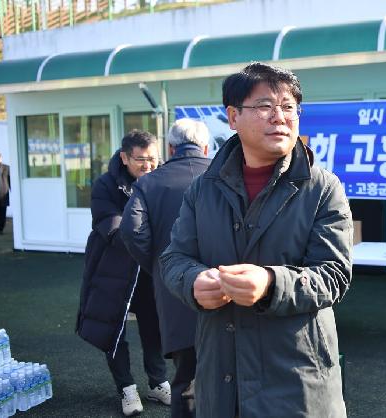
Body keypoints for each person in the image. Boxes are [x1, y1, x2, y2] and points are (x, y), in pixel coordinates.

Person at [160, 62, 353, 417]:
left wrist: (270, 282)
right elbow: (174, 258)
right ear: (233, 117)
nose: (279, 117)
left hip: (297, 378)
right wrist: (192, 281)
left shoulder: (323, 187)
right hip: (222, 374)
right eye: (265, 106)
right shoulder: (204, 189)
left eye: (289, 107)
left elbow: (335, 275)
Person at [76, 130, 171, 417]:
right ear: (124, 157)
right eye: (140, 159)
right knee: (113, 328)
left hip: (148, 271)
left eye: (153, 159)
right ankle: (126, 388)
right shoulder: (105, 185)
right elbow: (111, 225)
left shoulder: (161, 180)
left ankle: (158, 382)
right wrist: (152, 240)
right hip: (112, 268)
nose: (148, 166)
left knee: (154, 326)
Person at [121, 119, 211, 418]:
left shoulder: (148, 182)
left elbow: (132, 231)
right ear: (207, 147)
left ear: (171, 148)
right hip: (227, 288)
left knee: (185, 380)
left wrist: (159, 267)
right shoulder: (224, 175)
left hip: (175, 291)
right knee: (232, 376)